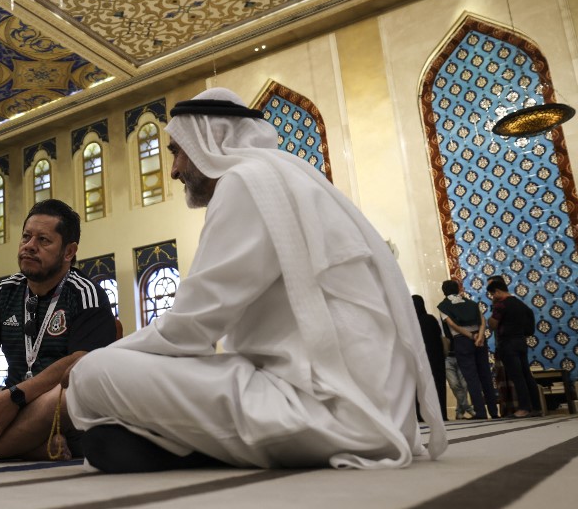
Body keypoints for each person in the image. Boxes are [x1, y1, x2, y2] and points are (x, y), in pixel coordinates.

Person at [64, 87, 447, 473]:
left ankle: (183, 442)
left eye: (177, 152)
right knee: (108, 409)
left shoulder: (245, 182)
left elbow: (189, 329)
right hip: (372, 409)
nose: (175, 170)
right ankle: (182, 444)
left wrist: (103, 359)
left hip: (331, 410)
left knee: (91, 375)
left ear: (211, 141)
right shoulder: (289, 179)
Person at [0, 199, 116, 459]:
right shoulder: (1, 294)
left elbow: (79, 362)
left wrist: (16, 397)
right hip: (9, 403)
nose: (29, 246)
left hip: (48, 404)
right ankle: (32, 447)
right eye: (26, 237)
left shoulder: (86, 295)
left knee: (68, 395)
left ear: (68, 251)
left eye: (43, 240)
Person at [436, 279, 499, 420]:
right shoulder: (471, 303)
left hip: (463, 341)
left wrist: (470, 336)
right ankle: (494, 412)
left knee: (472, 379)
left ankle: (481, 413)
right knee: (485, 376)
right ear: (458, 289)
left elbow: (453, 326)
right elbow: (482, 320)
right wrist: (480, 336)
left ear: (444, 291)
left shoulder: (443, 306)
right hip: (480, 339)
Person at [487, 278, 541, 418]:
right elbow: (530, 329)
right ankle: (536, 407)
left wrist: (489, 317)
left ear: (498, 291)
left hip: (507, 343)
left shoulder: (501, 305)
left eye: (493, 294)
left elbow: (492, 324)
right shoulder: (522, 305)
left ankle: (523, 408)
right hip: (521, 342)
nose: (493, 297)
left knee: (517, 376)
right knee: (526, 375)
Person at [413, 295, 448, 421]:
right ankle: (442, 414)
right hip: (436, 359)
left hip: (420, 360)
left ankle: (422, 415)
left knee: (420, 388)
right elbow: (440, 338)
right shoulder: (431, 319)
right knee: (438, 386)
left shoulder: (412, 322)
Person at [441, 318, 476, 420]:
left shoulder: (459, 321)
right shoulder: (440, 323)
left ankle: (459, 412)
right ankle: (468, 408)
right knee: (454, 384)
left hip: (460, 355)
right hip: (447, 357)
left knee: (464, 385)